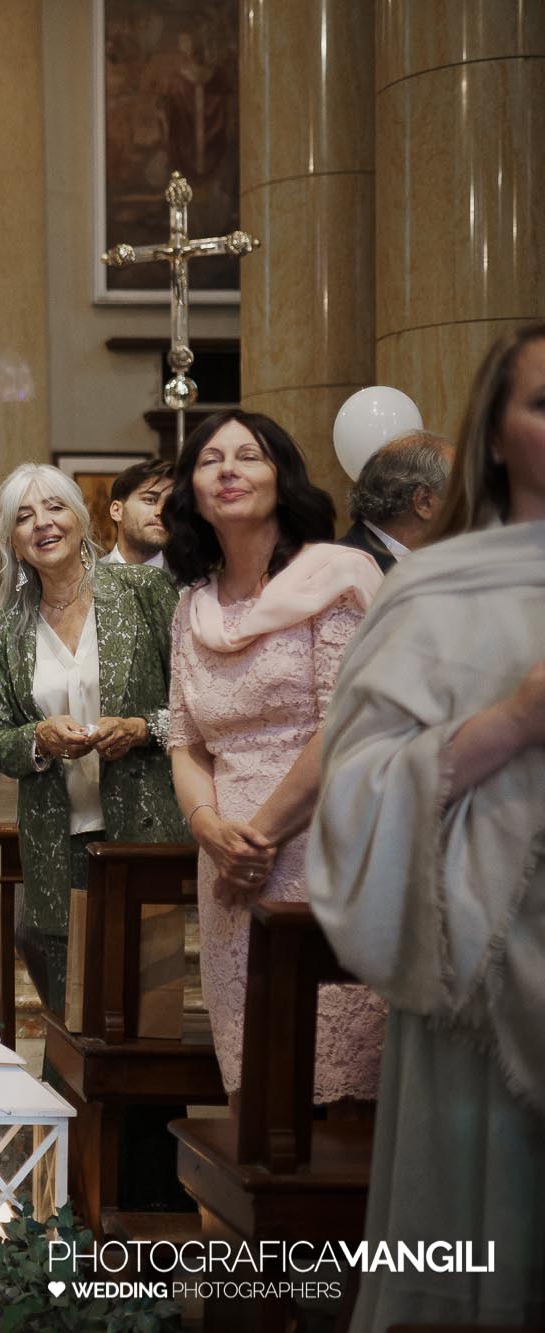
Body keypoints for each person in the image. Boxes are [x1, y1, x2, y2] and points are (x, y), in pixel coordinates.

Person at [310, 323, 545, 1331]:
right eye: (544, 403)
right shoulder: (430, 590)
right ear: (492, 433)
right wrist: (511, 722)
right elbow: (353, 791)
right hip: (479, 976)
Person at [0, 463, 192, 1212]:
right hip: (58, 845)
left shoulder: (147, 592)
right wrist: (38, 737)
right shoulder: (8, 629)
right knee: (75, 1029)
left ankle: (153, 1205)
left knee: (149, 1024)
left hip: (142, 846)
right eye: (22, 514)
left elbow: (195, 711)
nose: (42, 521)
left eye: (54, 506)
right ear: (12, 538)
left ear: (81, 516)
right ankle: (67, 1200)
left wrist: (143, 729)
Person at [162, 409, 385, 1105]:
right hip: (229, 867)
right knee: (255, 1084)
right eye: (210, 459)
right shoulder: (192, 608)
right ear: (191, 490)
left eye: (249, 455)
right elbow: (185, 739)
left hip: (323, 844)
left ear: (282, 477)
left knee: (334, 1087)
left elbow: (346, 722)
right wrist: (210, 830)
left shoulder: (336, 578)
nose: (228, 469)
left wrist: (256, 836)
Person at [335, 430, 453, 574]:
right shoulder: (348, 578)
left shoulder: (428, 565)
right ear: (424, 502)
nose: (469, 508)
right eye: (460, 496)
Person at [99, 456, 172, 571]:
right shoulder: (85, 580)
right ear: (117, 510)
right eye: (150, 500)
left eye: (171, 504)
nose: (161, 512)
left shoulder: (193, 585)